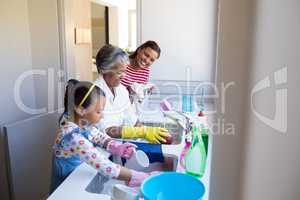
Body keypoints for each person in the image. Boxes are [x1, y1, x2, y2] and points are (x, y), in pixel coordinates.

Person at [50, 79, 157, 192]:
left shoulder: (81, 122)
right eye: (99, 111)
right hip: (66, 188)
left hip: (77, 178)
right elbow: (106, 167)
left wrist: (115, 146)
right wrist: (140, 177)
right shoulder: (73, 138)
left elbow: (98, 136)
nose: (102, 116)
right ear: (81, 110)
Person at [94, 44, 170, 144]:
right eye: (119, 72)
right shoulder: (94, 93)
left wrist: (146, 130)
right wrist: (141, 132)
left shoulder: (121, 91)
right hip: (101, 151)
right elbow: (106, 130)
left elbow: (132, 119)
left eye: (124, 71)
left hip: (122, 146)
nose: (123, 76)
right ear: (105, 69)